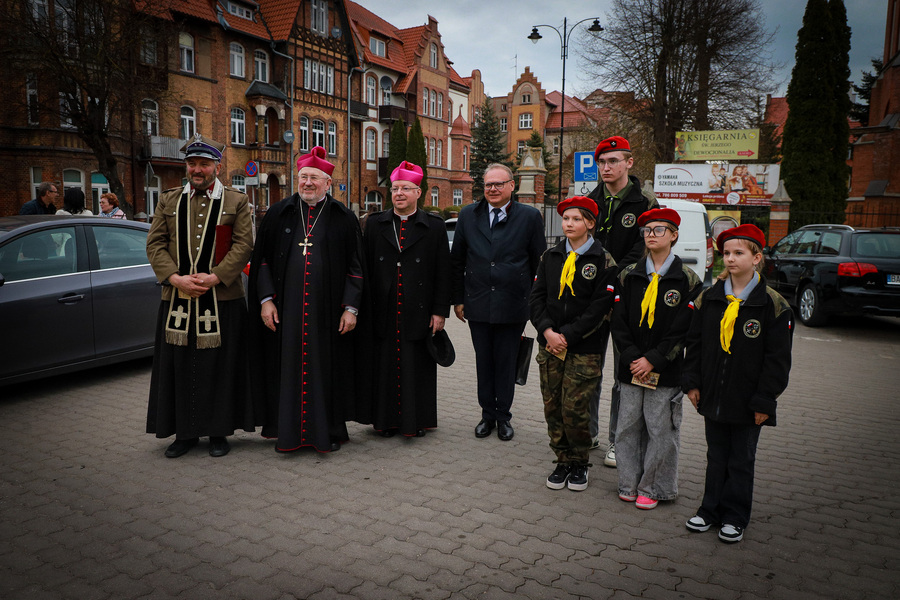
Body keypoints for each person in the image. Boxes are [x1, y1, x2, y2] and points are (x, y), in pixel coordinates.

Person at [248, 146, 365, 453]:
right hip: (284, 311)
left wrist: (350, 307)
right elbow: (261, 262)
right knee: (285, 369)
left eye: (315, 177)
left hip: (327, 314)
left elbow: (356, 267)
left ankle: (326, 431)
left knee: (326, 369)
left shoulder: (343, 217)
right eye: (303, 177)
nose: (308, 183)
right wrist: (265, 300)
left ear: (328, 183)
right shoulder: (278, 213)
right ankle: (285, 431)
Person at [145, 133, 256, 458]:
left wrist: (215, 277)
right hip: (177, 301)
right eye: (192, 163)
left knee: (220, 369)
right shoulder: (168, 200)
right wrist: (176, 279)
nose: (197, 169)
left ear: (216, 168)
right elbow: (155, 244)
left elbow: (243, 245)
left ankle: (219, 432)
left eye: (204, 164)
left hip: (222, 302)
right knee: (179, 368)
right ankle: (184, 434)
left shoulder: (236, 201)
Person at [682, 224, 793, 543]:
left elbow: (778, 360)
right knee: (716, 455)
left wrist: (764, 400)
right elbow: (696, 343)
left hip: (748, 401)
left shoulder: (773, 305)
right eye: (726, 253)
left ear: (757, 257)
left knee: (741, 458)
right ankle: (709, 510)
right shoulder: (710, 298)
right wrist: (692, 382)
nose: (730, 259)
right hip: (713, 395)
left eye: (738, 253)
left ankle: (735, 516)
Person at [611, 208, 702, 510]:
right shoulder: (629, 274)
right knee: (626, 427)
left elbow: (683, 329)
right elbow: (619, 320)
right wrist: (633, 357)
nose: (651, 234)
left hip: (665, 369)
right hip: (631, 367)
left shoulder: (687, 280)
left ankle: (655, 487)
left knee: (661, 430)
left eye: (658, 229)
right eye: (647, 229)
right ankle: (628, 482)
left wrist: (654, 359)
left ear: (674, 235)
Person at [450, 163, 546, 441]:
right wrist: (458, 299)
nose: (492, 189)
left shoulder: (529, 217)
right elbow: (457, 261)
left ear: (512, 186)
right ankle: (486, 415)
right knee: (484, 361)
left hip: (513, 303)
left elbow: (538, 262)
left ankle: (503, 416)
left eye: (498, 184)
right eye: (488, 184)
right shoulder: (469, 215)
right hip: (477, 302)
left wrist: (533, 301)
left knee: (505, 362)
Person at [530, 196, 616, 491]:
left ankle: (579, 463)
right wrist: (547, 331)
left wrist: (567, 335)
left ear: (590, 224)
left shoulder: (603, 260)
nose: (569, 224)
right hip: (551, 345)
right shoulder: (549, 257)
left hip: (583, 348)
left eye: (576, 219)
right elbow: (537, 298)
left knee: (575, 408)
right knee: (553, 406)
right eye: (566, 218)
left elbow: (599, 308)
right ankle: (562, 459)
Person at [364, 161, 450, 438]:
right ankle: (385, 421)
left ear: (418, 192)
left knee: (417, 367)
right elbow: (364, 267)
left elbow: (442, 272)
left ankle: (418, 421)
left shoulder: (434, 227)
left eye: (405, 188)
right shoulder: (375, 224)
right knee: (384, 364)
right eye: (395, 188)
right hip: (384, 306)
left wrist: (440, 311)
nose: (399, 193)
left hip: (419, 307)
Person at [586, 135, 658, 467]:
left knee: (622, 375)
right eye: (601, 162)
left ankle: (618, 440)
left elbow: (645, 248)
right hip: (592, 298)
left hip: (628, 298)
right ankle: (588, 433)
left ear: (629, 163)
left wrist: (613, 273)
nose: (605, 167)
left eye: (613, 161)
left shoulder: (645, 202)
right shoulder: (590, 201)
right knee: (589, 368)